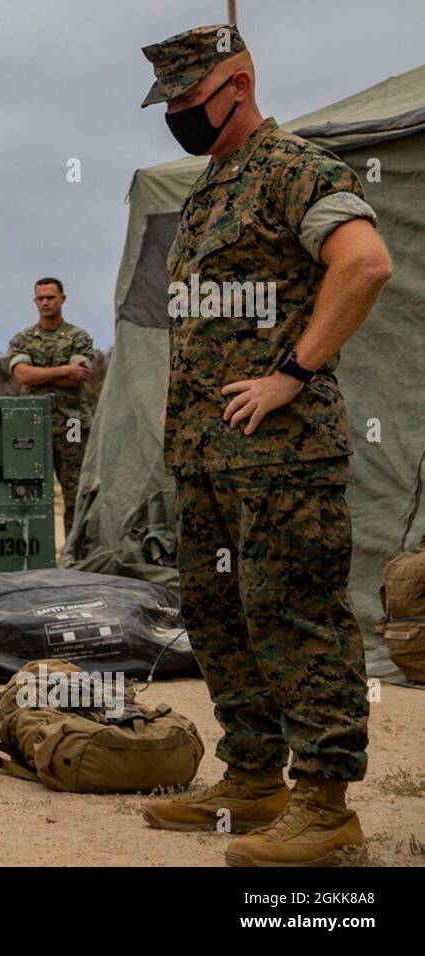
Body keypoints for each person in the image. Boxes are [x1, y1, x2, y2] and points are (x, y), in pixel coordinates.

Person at [137, 24, 393, 866]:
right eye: (167, 102)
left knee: (296, 617)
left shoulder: (297, 169)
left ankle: (327, 809)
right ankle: (253, 780)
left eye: (187, 98)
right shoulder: (210, 188)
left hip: (284, 456)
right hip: (208, 455)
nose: (175, 114)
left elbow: (364, 265)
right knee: (221, 618)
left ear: (237, 85)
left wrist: (293, 371)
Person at [6, 278, 95, 534]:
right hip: (32, 427)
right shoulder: (22, 339)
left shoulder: (79, 337)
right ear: (35, 301)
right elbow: (23, 376)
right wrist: (64, 369)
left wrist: (44, 373)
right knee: (31, 492)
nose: (45, 302)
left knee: (76, 494)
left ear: (62, 299)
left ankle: (75, 554)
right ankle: (38, 552)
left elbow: (76, 377)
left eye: (50, 297)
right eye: (40, 298)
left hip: (72, 425)